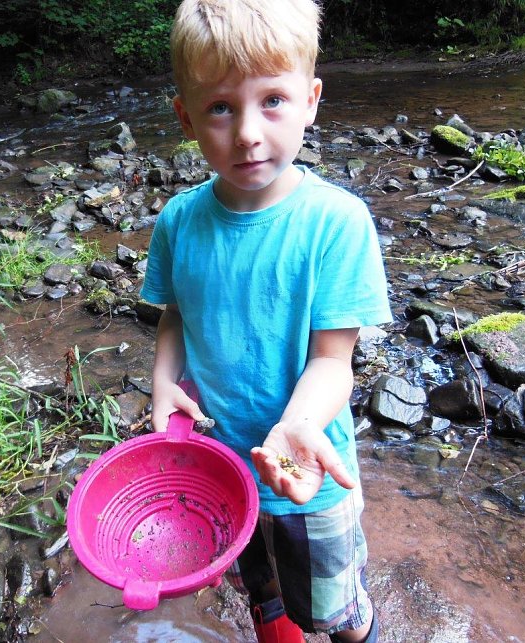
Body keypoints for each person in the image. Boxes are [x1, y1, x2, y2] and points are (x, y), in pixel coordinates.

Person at [140, 1, 392, 641]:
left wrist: (298, 424)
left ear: (310, 100)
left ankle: (351, 627)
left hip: (307, 471)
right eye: (221, 107)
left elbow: (335, 360)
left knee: (332, 606)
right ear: (186, 117)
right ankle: (272, 618)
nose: (248, 131)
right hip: (224, 466)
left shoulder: (336, 223)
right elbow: (175, 315)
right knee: (262, 584)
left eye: (272, 101)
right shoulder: (179, 221)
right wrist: (164, 381)